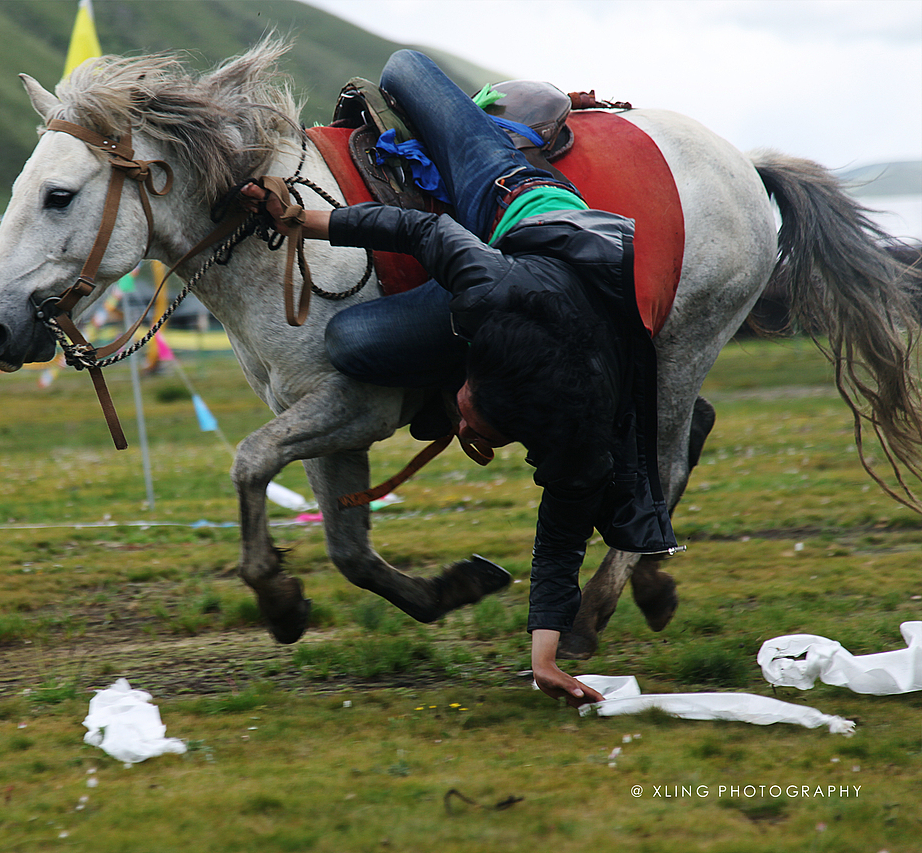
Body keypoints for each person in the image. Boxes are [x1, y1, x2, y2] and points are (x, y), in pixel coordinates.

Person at [241, 50, 680, 709]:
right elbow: (419, 226)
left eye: (470, 427)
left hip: (551, 309)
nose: (463, 424)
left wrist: (545, 659)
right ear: (474, 370)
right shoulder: (491, 291)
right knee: (402, 68)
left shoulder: (576, 447)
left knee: (350, 338)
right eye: (466, 414)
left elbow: (559, 541)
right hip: (514, 198)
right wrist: (306, 221)